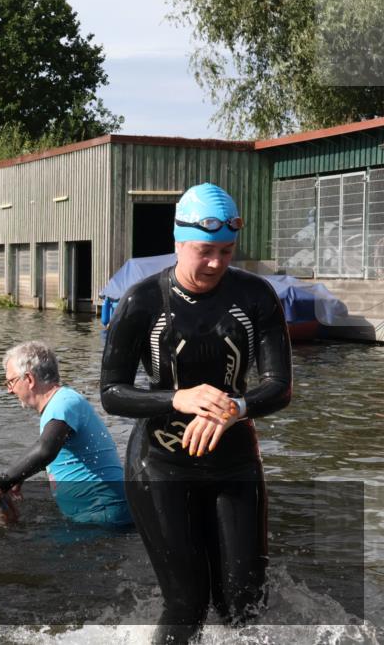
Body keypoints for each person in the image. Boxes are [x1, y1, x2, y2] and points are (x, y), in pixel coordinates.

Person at [100, 183, 292, 644]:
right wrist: (175, 398)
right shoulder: (141, 301)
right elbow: (111, 393)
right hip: (161, 465)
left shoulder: (255, 296)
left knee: (244, 602)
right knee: (188, 602)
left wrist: (237, 406)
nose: (216, 263)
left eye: (227, 251)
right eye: (204, 251)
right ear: (178, 242)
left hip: (233, 461)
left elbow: (279, 386)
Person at [0, 341, 131, 526]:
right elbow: (49, 450)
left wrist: (1, 485)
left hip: (102, 514)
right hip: (96, 514)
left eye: (11, 381)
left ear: (29, 379)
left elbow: (45, 450)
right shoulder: (60, 404)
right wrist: (21, 476)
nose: (9, 390)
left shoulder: (62, 403)